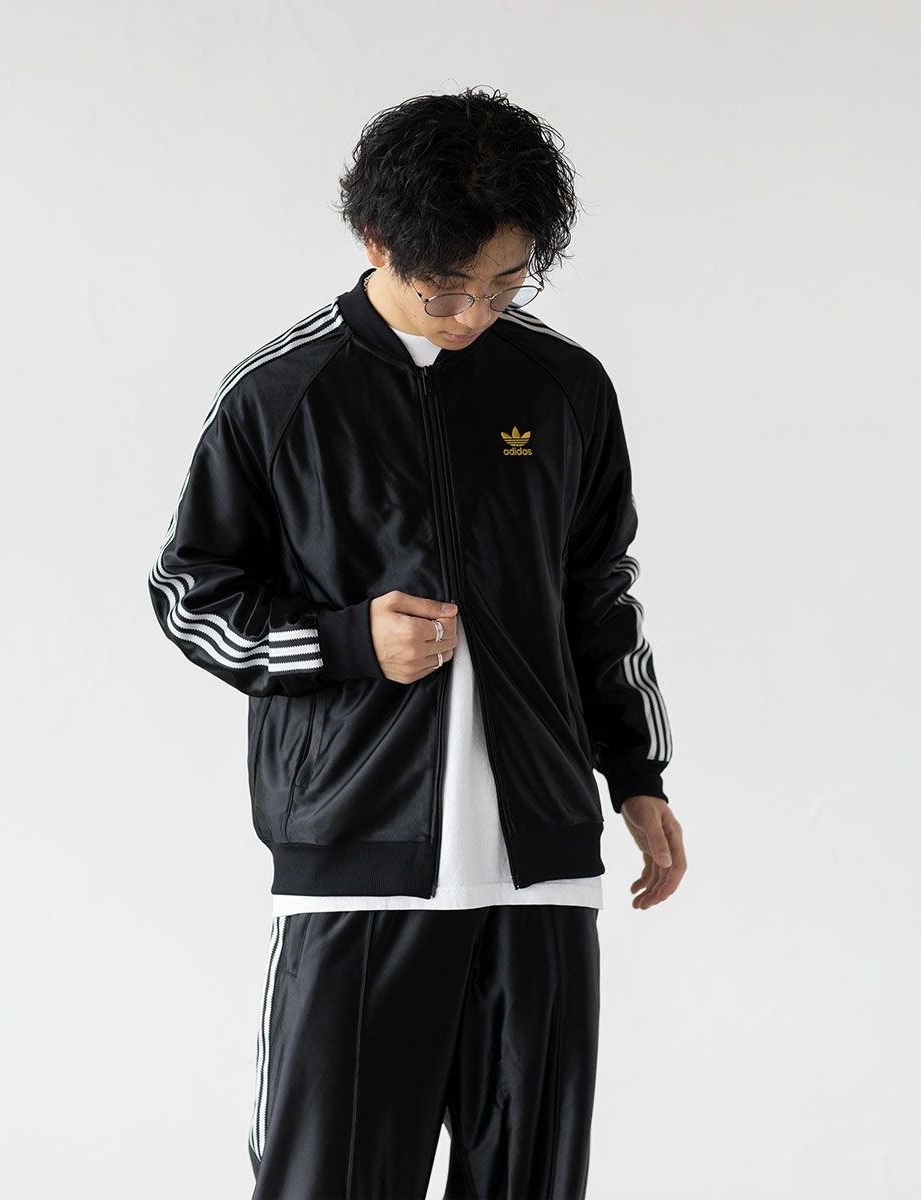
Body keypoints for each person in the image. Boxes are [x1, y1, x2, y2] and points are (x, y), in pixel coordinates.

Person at [148, 84, 687, 1200]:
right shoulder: (282, 394)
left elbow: (600, 594)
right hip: (358, 863)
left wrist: (636, 775)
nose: (474, 313)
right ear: (375, 240)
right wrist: (347, 642)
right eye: (448, 288)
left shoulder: (565, 386)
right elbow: (190, 595)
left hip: (540, 870)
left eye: (507, 283)